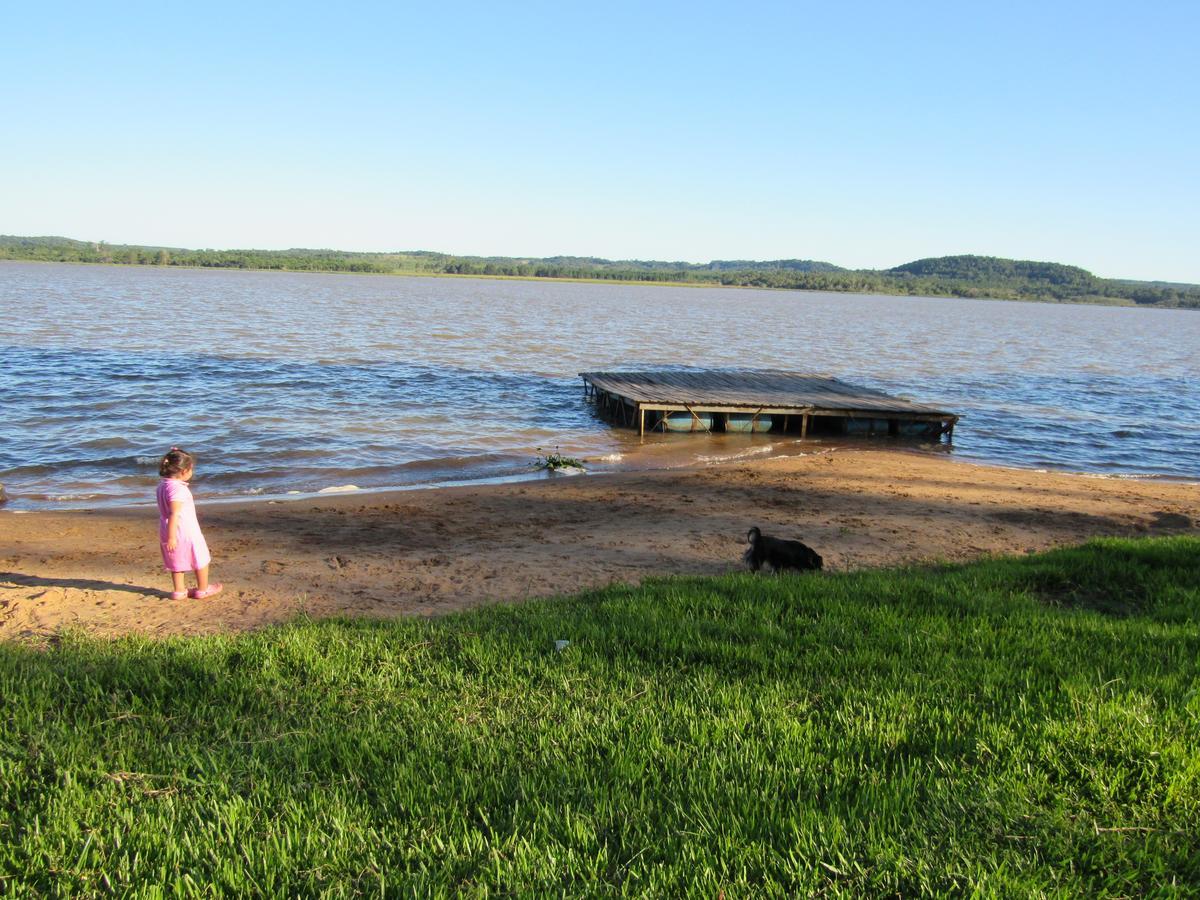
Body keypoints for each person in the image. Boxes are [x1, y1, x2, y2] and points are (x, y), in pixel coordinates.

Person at [157, 447, 222, 600]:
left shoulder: (162, 486)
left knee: (176, 559)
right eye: (192, 469)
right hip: (184, 530)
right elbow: (175, 513)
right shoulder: (177, 489)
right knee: (201, 557)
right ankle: (202, 589)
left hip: (166, 529)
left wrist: (170, 536)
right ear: (184, 471)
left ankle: (179, 591)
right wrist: (173, 537)